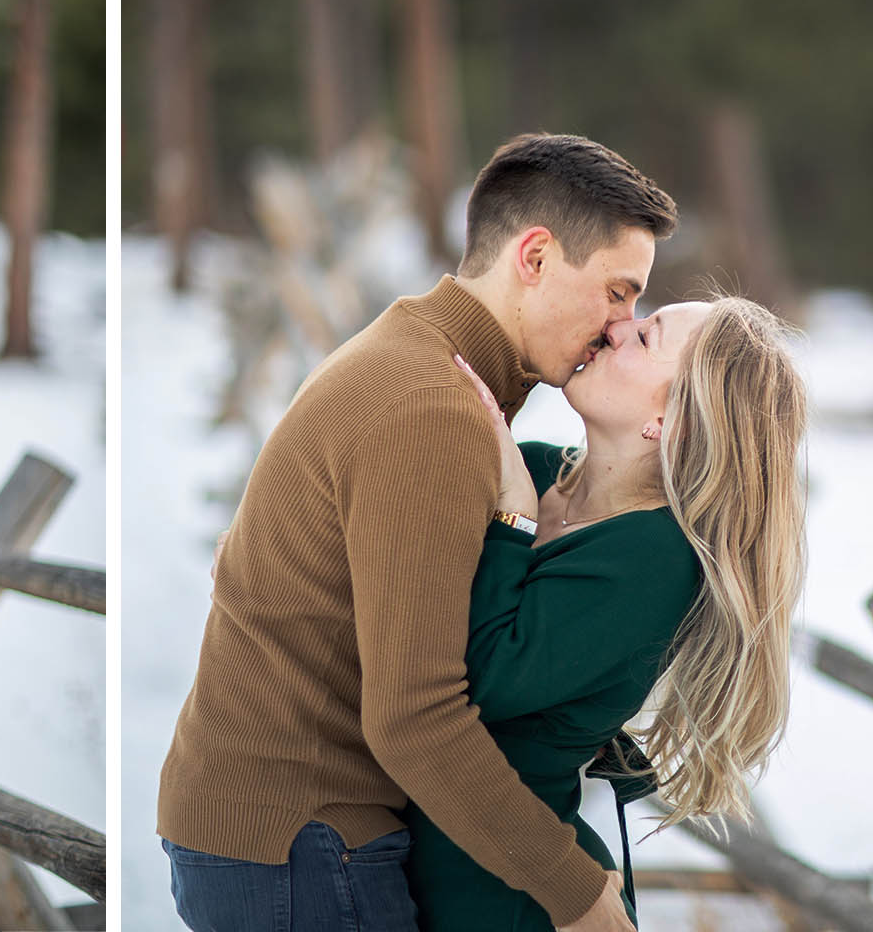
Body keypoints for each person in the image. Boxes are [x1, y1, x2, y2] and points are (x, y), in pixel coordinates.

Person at [159, 133, 679, 931]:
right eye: (617, 291)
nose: (621, 324)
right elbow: (415, 719)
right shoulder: (432, 409)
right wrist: (575, 894)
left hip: (282, 836)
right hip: (303, 843)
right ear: (535, 258)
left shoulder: (420, 360)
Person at [406, 297, 809, 928]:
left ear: (669, 420)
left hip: (503, 891)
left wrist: (512, 518)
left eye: (647, 338)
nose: (616, 326)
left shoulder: (654, 558)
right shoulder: (534, 467)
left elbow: (478, 681)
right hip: (410, 851)